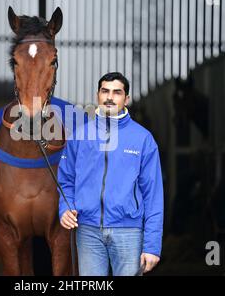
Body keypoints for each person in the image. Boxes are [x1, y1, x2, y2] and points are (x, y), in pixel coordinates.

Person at [58, 72, 164, 276]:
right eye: (105, 91)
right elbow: (66, 181)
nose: (109, 97)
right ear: (97, 95)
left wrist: (152, 245)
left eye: (117, 92)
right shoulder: (80, 136)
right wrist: (66, 208)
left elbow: (153, 195)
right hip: (88, 231)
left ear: (127, 99)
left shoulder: (143, 139)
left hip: (129, 232)